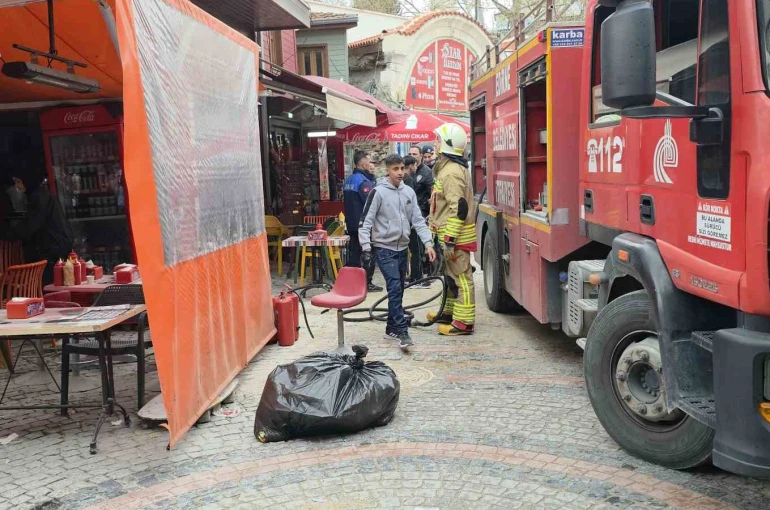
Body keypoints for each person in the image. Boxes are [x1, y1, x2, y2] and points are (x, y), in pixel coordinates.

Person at [359, 154, 436, 349]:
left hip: (403, 248)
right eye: (396, 169)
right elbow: (365, 221)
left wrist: (428, 244)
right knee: (394, 288)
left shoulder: (409, 192)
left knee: (399, 289)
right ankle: (402, 331)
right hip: (384, 248)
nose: (400, 172)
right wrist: (366, 248)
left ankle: (390, 328)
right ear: (387, 170)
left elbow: (418, 220)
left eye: (402, 168)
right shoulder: (378, 192)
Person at [426, 123, 477, 336]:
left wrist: (449, 239)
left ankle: (464, 322)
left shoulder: (451, 172)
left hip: (454, 237)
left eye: (437, 140)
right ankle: (449, 312)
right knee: (450, 276)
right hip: (447, 235)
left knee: (462, 278)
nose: (434, 143)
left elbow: (460, 209)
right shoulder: (446, 168)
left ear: (446, 145)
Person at [0, 174, 72, 285]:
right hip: (57, 246)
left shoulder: (38, 197)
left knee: (48, 287)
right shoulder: (41, 195)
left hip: (53, 249)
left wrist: (6, 234)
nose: (17, 187)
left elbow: (28, 227)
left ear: (28, 182)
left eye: (19, 182)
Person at [343, 150, 382, 292]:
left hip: (351, 223)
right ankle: (367, 282)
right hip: (363, 224)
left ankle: (352, 281)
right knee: (367, 253)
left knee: (354, 252)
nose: (371, 163)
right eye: (369, 160)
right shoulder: (363, 181)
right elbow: (370, 203)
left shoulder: (349, 180)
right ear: (364, 163)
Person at [407, 145, 435, 285]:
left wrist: (431, 212)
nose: (412, 155)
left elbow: (432, 193)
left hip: (422, 213)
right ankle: (414, 274)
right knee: (413, 246)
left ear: (421, 156)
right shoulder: (407, 170)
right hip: (408, 214)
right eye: (410, 153)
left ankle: (421, 276)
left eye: (415, 153)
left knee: (420, 246)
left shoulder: (426, 172)